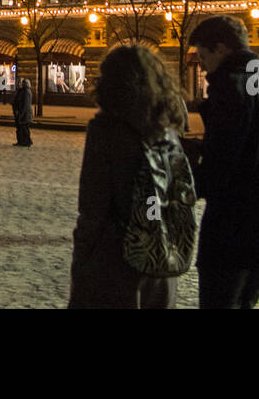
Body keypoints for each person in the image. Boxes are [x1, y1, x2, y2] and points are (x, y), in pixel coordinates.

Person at [68, 44, 195, 309]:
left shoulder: (106, 130)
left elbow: (93, 209)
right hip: (160, 258)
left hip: (114, 261)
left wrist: (81, 265)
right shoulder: (168, 131)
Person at [187, 15, 259, 309]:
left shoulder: (229, 86)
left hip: (234, 229)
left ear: (221, 49)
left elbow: (221, 164)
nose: (202, 65)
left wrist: (183, 184)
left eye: (203, 55)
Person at [12, 77, 33, 146]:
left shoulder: (26, 92)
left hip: (25, 114)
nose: (20, 84)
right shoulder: (21, 91)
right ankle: (22, 141)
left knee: (24, 128)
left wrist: (21, 115)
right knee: (20, 128)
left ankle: (26, 141)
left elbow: (25, 105)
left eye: (22, 83)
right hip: (21, 113)